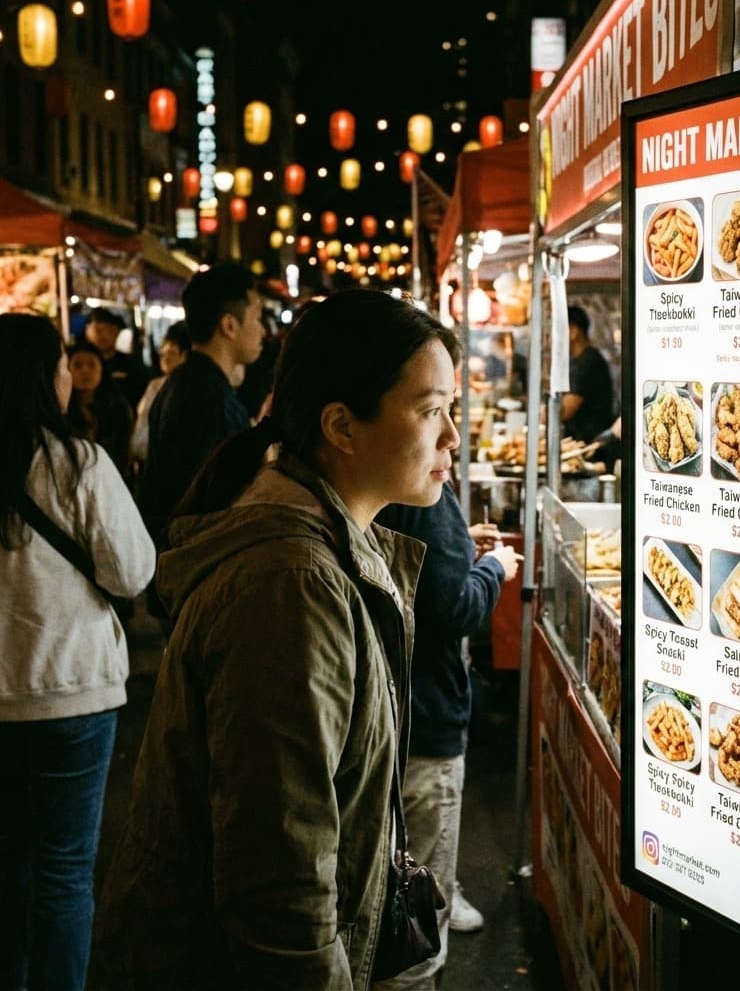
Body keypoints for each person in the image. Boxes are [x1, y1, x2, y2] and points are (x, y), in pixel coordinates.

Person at [93, 289, 461, 989]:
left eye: (452, 410)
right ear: (342, 426)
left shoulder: (324, 550)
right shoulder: (291, 586)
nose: (451, 437)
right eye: (430, 410)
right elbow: (279, 886)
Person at [0, 313, 155, 991]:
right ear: (45, 378)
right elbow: (132, 572)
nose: (72, 376)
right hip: (72, 692)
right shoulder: (78, 464)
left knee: (6, 866)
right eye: (64, 365)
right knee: (65, 868)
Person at [375, 484, 521, 987]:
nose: (451, 437)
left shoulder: (376, 489)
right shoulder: (420, 494)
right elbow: (453, 608)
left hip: (394, 717)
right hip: (424, 719)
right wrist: (494, 569)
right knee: (414, 930)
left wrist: (458, 540)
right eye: (434, 409)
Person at [138, 262, 264, 551]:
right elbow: (213, 502)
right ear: (229, 325)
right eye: (257, 317)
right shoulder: (207, 397)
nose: (262, 331)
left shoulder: (184, 381)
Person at [65, 340, 135, 482]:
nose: (85, 371)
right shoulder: (61, 410)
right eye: (77, 365)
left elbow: (122, 455)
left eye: (91, 365)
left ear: (102, 369)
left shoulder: (118, 407)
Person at [129, 320, 191, 472]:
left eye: (171, 353)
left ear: (186, 355)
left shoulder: (187, 389)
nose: (165, 358)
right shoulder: (155, 385)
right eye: (163, 353)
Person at [561, 304, 614, 443]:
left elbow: (567, 409)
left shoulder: (590, 362)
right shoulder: (576, 361)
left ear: (573, 331)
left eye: (559, 330)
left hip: (591, 446)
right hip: (578, 442)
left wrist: (543, 413)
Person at [84, 306, 150, 410]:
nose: (103, 335)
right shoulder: (81, 364)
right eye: (98, 330)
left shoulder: (130, 364)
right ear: (88, 332)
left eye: (110, 330)